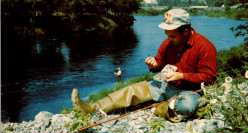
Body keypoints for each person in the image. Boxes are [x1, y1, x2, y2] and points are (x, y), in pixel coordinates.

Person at [71, 9, 217, 122]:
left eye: (172, 36)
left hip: (189, 91)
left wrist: (182, 76)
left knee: (187, 106)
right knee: (131, 90)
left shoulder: (205, 46)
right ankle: (92, 108)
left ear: (185, 32)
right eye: (167, 35)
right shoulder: (169, 42)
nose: (168, 39)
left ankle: (158, 108)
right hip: (166, 86)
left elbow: (210, 77)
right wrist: (154, 64)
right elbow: (160, 63)